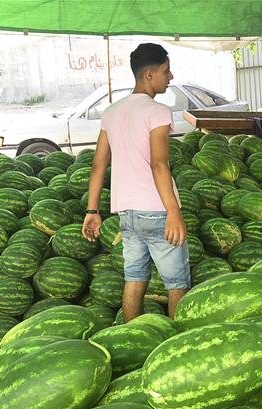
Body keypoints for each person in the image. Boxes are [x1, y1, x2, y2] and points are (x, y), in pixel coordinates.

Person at [81, 43, 189, 321]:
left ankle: (133, 333)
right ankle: (177, 342)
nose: (171, 77)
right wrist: (174, 211)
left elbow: (98, 165)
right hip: (157, 210)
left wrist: (92, 211)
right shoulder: (158, 112)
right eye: (166, 71)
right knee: (177, 283)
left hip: (126, 213)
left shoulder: (112, 112)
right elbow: (159, 163)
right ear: (149, 75)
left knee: (134, 279)